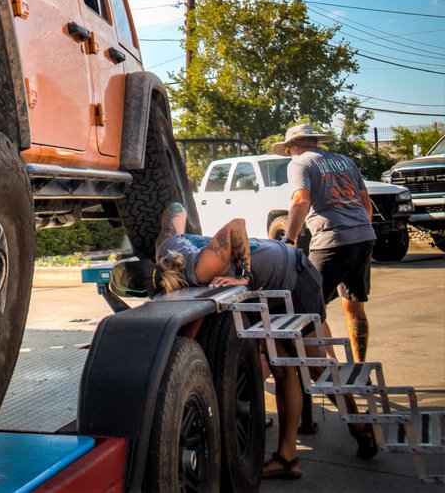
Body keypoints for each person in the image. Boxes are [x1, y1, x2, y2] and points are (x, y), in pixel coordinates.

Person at [154, 203, 326, 480]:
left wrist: (243, 277)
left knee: (319, 369)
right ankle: (287, 458)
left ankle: (361, 427)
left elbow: (237, 223)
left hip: (293, 275)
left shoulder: (199, 270)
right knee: (283, 370)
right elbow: (174, 208)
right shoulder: (167, 243)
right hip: (273, 287)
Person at [271, 124, 375, 368]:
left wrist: (290, 239)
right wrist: (359, 228)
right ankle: (360, 366)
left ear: (291, 147)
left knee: (309, 306)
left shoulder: (300, 163)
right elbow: (364, 200)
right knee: (354, 304)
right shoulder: (345, 160)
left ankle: (330, 365)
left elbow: (300, 199)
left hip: (331, 240)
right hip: (362, 237)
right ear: (315, 141)